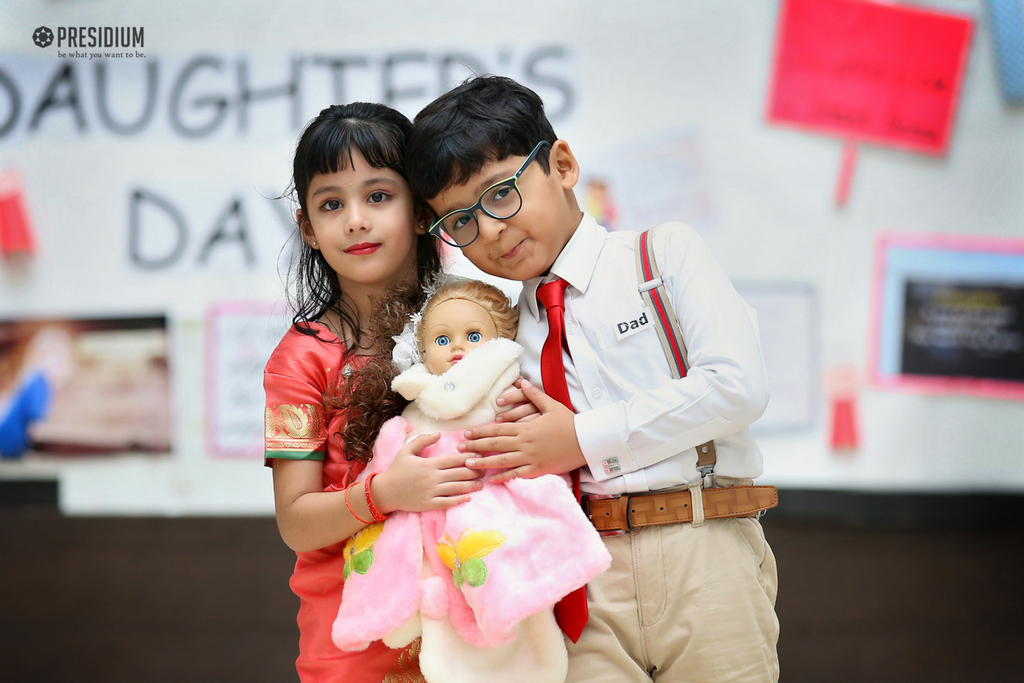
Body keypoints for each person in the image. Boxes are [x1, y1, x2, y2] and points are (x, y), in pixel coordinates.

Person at [405, 76, 780, 682]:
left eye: (501, 194)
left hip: (702, 543)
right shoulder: (499, 340)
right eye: (460, 220)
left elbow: (736, 386)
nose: (490, 230)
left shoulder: (661, 257)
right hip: (579, 574)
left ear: (562, 164)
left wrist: (580, 439)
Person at [264, 102, 486, 683]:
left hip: (479, 623)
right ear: (308, 227)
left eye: (379, 195)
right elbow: (295, 521)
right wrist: (386, 493)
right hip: (355, 644)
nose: (356, 220)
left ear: (419, 209)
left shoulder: (477, 321)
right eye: (331, 203)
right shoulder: (300, 359)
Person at [331, 277, 610, 683]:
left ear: (501, 340)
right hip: (435, 541)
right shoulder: (410, 419)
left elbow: (547, 465)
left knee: (519, 624)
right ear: (423, 351)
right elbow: (384, 483)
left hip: (504, 534)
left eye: (473, 335)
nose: (458, 347)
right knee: (447, 627)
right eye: (442, 340)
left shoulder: (511, 400)